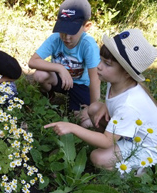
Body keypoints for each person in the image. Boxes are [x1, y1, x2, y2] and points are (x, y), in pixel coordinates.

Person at [45, 29, 157, 172]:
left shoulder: (130, 105)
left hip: (144, 148)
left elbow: (107, 142)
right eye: (101, 60)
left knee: (98, 157)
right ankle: (113, 147)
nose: (99, 66)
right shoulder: (116, 81)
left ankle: (131, 173)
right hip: (128, 133)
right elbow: (112, 100)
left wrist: (73, 128)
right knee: (95, 108)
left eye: (107, 63)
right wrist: (106, 106)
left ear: (127, 73)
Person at [28, 0, 100, 127]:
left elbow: (95, 79)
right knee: (40, 75)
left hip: (80, 85)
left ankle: (74, 107)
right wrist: (59, 68)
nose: (66, 37)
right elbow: (32, 61)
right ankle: (49, 97)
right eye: (63, 30)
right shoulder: (56, 38)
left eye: (72, 31)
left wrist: (92, 109)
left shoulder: (88, 45)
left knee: (86, 122)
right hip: (59, 79)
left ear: (86, 27)